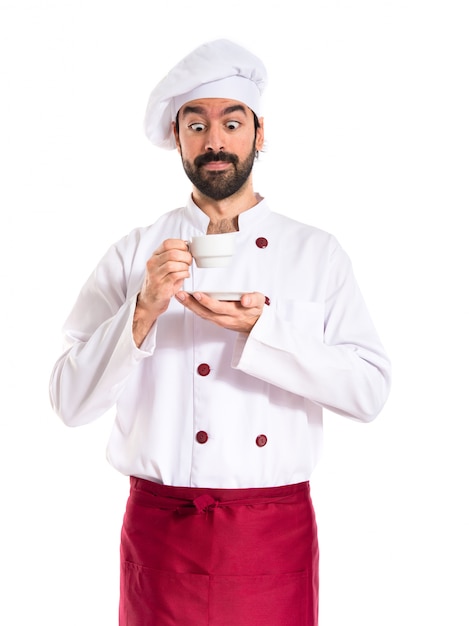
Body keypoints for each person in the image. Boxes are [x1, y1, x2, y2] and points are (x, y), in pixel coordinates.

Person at [49, 38, 391, 626]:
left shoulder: (317, 253)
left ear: (259, 134)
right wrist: (143, 308)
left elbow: (369, 394)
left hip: (272, 534)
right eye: (196, 125)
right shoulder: (136, 253)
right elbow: (68, 402)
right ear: (177, 140)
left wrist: (267, 330)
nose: (214, 141)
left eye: (232, 123)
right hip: (161, 537)